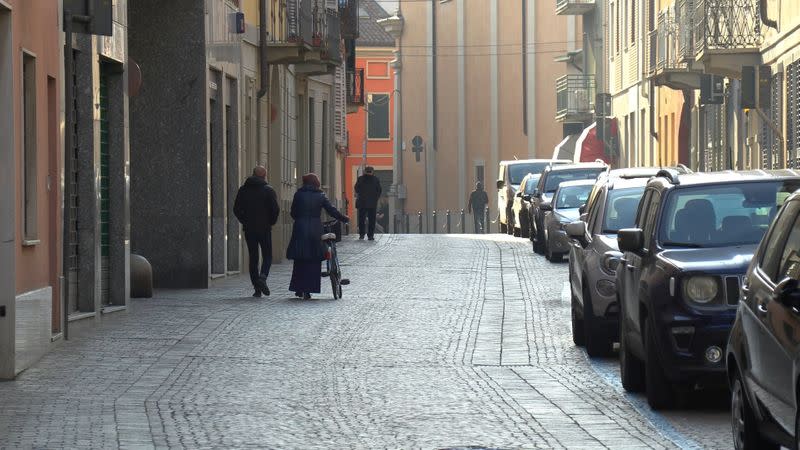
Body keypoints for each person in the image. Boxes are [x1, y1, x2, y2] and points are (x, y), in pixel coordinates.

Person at [287, 173, 349, 300]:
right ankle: (310, 288)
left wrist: (300, 219)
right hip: (315, 228)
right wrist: (343, 218)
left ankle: (299, 288)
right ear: (316, 183)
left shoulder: (298, 194)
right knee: (314, 258)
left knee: (300, 258)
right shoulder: (320, 196)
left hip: (300, 227)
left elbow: (293, 212)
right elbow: (331, 210)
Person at [233, 166, 280, 297]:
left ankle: (257, 289)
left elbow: (236, 209)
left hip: (249, 229)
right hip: (264, 229)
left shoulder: (243, 190)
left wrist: (244, 220)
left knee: (253, 257)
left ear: (252, 174)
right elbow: (275, 210)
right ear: (264, 176)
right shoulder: (268, 190)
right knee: (267, 256)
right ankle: (263, 277)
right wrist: (270, 222)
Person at [354, 166, 382, 240]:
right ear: (372, 172)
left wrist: (361, 194)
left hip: (362, 203)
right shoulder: (375, 179)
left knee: (361, 219)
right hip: (372, 203)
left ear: (365, 171)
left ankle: (362, 234)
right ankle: (370, 235)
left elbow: (356, 188)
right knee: (372, 220)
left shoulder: (360, 179)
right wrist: (375, 198)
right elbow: (379, 190)